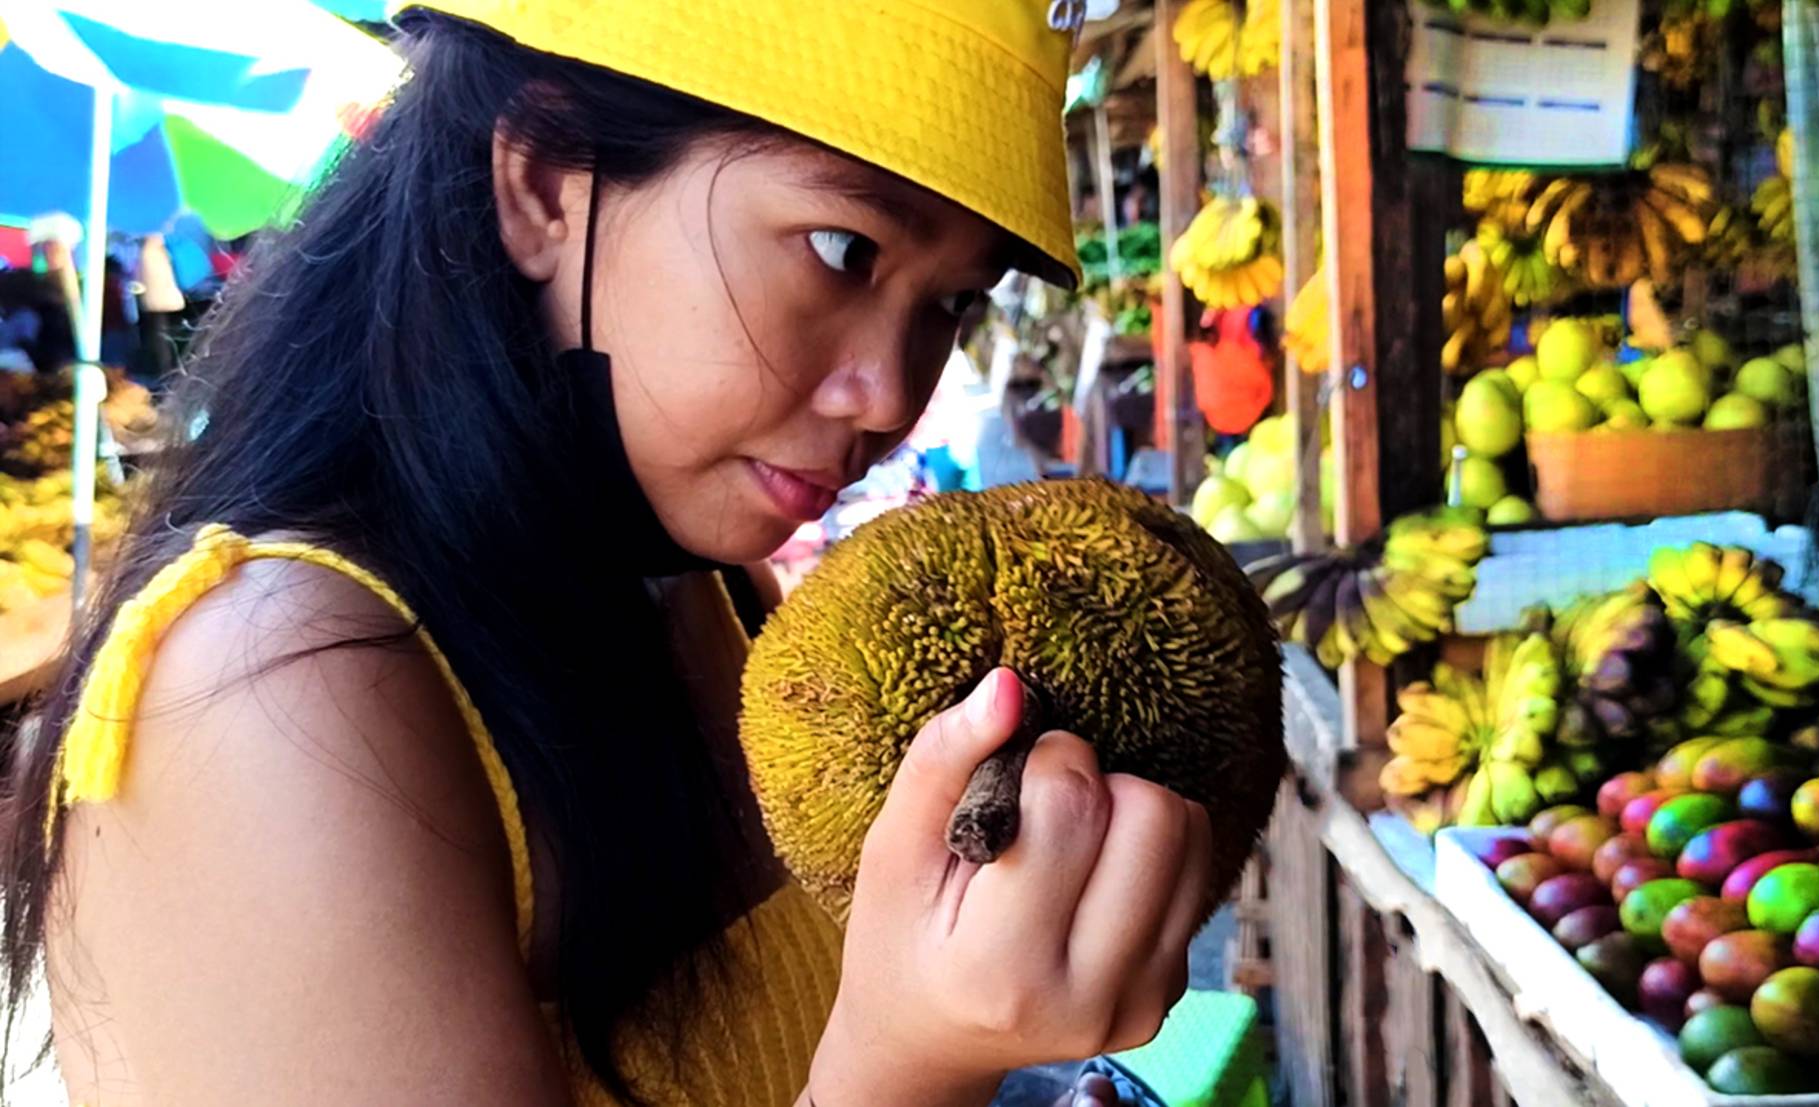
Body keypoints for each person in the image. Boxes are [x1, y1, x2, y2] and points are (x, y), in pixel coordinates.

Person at [0, 5, 1212, 1107]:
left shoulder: (705, 586)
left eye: (953, 304)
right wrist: (916, 1059)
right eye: (844, 252)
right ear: (543, 182)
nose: (889, 394)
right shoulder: (266, 699)